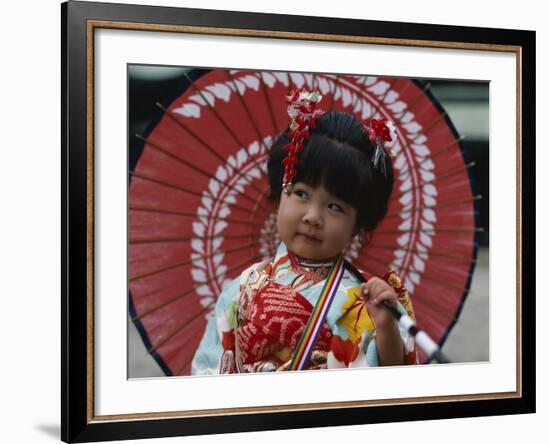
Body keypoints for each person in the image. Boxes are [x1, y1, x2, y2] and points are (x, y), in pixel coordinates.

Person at [191, 89, 417, 375]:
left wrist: (386, 327)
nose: (313, 217)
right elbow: (208, 371)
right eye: (301, 193)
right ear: (278, 194)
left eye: (335, 206)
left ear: (358, 224)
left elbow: (395, 384)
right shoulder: (240, 290)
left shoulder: (371, 298)